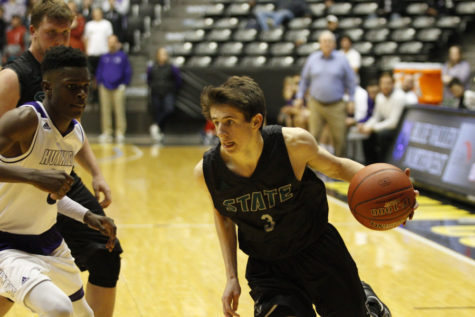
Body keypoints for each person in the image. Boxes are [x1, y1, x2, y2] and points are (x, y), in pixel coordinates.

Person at [195, 76, 411, 317]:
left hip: (318, 250)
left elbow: (338, 167)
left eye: (229, 122)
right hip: (268, 266)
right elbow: (223, 216)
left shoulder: (293, 144)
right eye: (216, 122)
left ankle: (367, 304)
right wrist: (231, 277)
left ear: (256, 121)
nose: (220, 132)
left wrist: (394, 188)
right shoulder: (208, 172)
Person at [0, 1, 122, 316]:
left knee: (105, 253)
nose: (59, 39)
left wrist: (95, 178)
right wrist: (31, 176)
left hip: (46, 228)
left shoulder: (75, 130)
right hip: (8, 213)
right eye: (51, 33)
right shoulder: (14, 81)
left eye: (65, 33)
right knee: (52, 306)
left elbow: (67, 146)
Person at [295, 30, 356, 157]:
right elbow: (304, 80)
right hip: (316, 104)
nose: (327, 44)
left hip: (336, 105)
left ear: (334, 44)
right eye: (324, 41)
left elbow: (351, 80)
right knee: (313, 137)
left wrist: (351, 99)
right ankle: (311, 170)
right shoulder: (313, 58)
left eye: (330, 41)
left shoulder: (342, 59)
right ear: (320, 44)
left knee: (340, 139)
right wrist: (300, 96)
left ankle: (341, 172)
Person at [358, 72, 406, 164]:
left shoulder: (400, 97)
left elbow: (393, 123)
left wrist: (372, 128)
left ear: (393, 84)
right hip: (386, 125)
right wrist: (366, 126)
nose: (385, 86)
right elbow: (376, 117)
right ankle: (369, 165)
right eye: (383, 83)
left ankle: (383, 164)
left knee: (382, 135)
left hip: (400, 129)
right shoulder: (379, 96)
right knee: (366, 136)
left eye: (388, 83)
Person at [96, 34, 132, 144]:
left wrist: (124, 83)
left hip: (118, 87)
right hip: (105, 87)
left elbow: (128, 71)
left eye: (113, 42)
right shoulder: (104, 57)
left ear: (117, 43)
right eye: (109, 42)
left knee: (119, 110)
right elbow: (99, 71)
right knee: (105, 111)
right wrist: (100, 82)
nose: (111, 44)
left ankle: (120, 133)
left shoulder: (122, 56)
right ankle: (107, 132)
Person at [146, 46, 182, 143]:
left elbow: (178, 79)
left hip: (168, 92)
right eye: (161, 54)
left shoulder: (171, 67)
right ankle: (160, 133)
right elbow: (149, 79)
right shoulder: (152, 67)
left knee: (168, 109)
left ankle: (156, 125)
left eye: (165, 54)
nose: (163, 56)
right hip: (156, 92)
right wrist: (153, 86)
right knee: (157, 111)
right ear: (157, 55)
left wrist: (173, 88)